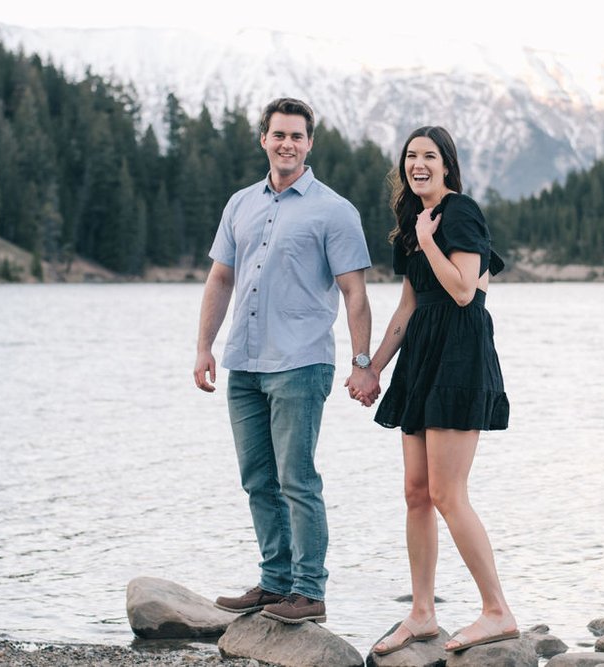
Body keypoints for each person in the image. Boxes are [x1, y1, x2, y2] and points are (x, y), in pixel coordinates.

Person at [194, 97, 378, 624]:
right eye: (279, 135)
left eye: (297, 136)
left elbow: (355, 294)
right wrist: (204, 346)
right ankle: (275, 583)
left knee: (296, 479)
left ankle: (310, 592)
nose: (287, 144)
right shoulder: (240, 204)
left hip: (301, 364)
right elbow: (220, 278)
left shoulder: (335, 210)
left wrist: (362, 361)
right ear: (264, 140)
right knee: (257, 478)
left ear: (310, 143)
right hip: (243, 363)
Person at [345, 126, 518, 654]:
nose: (418, 164)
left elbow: (465, 291)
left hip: (459, 356)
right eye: (410, 157)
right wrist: (370, 367)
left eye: (429, 156)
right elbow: (408, 306)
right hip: (423, 357)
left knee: (447, 493)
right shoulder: (411, 222)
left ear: (446, 165)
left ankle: (497, 611)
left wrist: (426, 240)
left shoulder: (459, 213)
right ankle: (422, 614)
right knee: (416, 493)